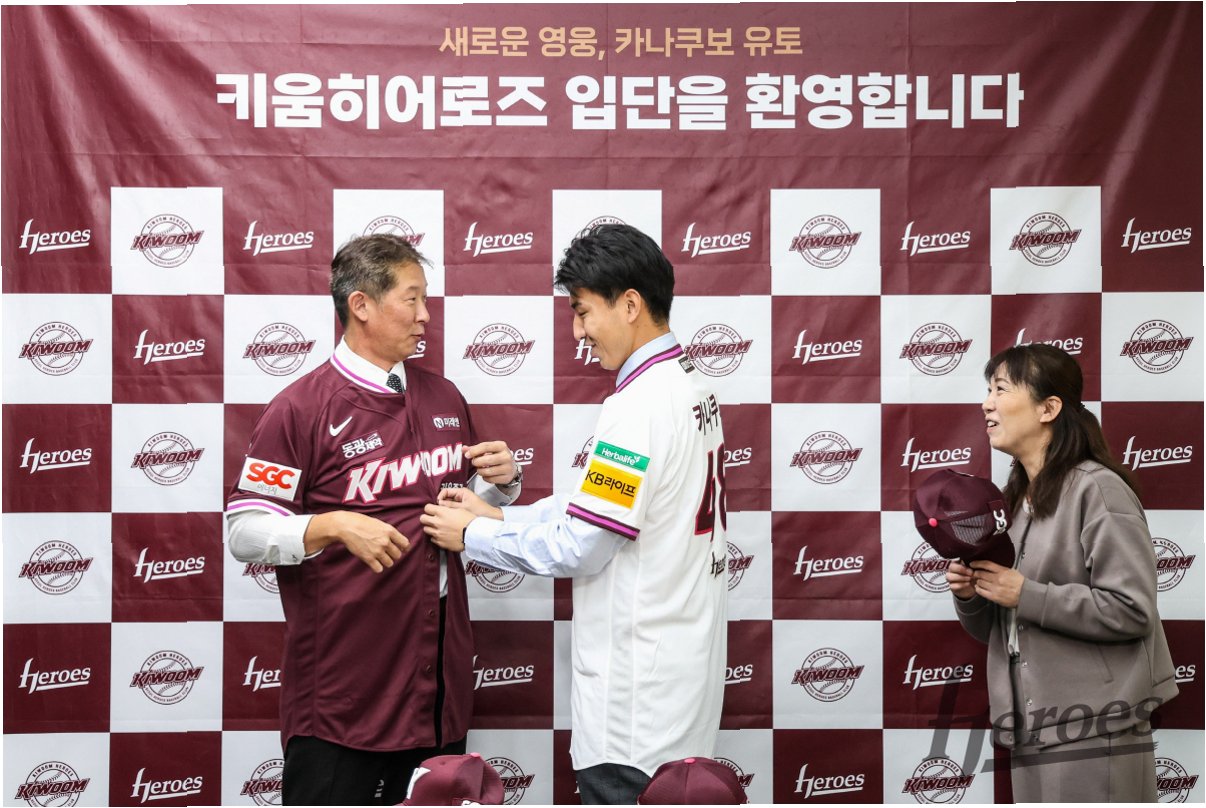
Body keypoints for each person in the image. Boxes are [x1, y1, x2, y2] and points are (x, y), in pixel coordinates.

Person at [420, 224, 729, 805]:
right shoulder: (692, 386)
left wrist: (474, 536)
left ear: (630, 305)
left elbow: (582, 545)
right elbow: (601, 509)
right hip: (679, 687)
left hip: (635, 713)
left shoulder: (637, 407)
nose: (578, 332)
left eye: (583, 311)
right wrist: (500, 518)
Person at [225, 234, 522, 805]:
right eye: (412, 299)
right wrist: (330, 525)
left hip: (435, 684)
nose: (425, 315)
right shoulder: (300, 407)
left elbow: (458, 508)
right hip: (343, 691)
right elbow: (243, 530)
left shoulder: (444, 397)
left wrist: (501, 482)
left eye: (425, 299)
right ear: (360, 304)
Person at [947, 343, 1178, 802]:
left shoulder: (1097, 488)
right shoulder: (1016, 502)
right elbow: (1001, 629)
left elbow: (1132, 610)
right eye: (988, 390)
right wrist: (973, 595)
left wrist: (1025, 593)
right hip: (1032, 726)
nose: (986, 403)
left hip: (1095, 726)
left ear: (1048, 408)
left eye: (1000, 389)